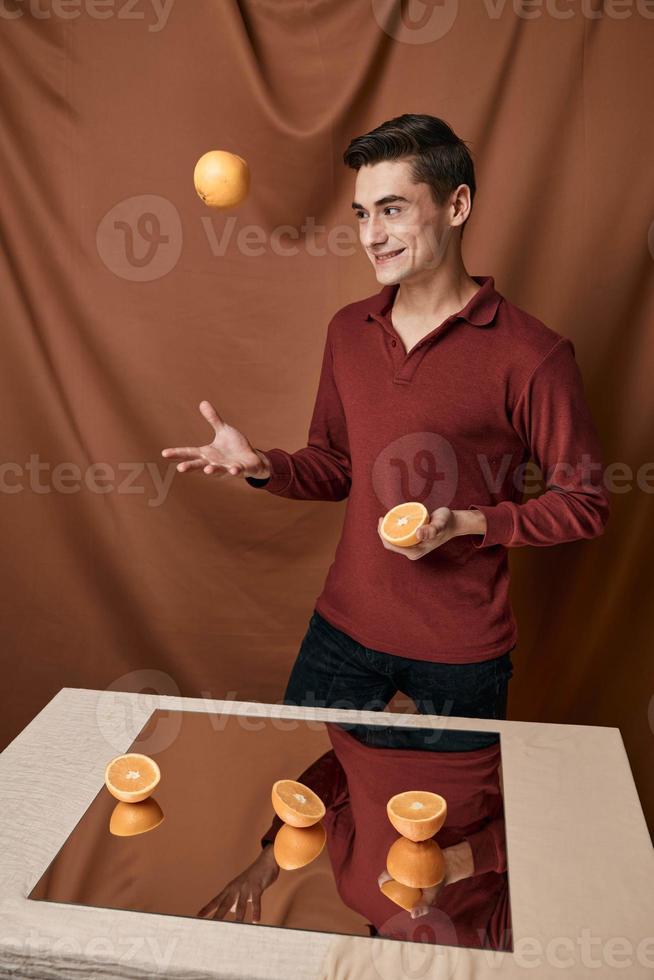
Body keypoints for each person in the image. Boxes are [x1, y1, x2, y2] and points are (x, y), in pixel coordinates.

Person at [162, 113, 609, 721]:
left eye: (393, 209)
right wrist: (263, 464)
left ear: (456, 206)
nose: (372, 234)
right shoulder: (348, 331)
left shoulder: (534, 354)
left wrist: (471, 523)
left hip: (463, 651)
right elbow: (338, 466)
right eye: (363, 214)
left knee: (457, 817)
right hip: (342, 631)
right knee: (298, 804)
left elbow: (584, 503)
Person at [197, 722, 511, 952]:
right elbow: (543, 838)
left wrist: (272, 853)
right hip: (462, 750)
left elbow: (339, 771)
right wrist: (453, 863)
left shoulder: (353, 891)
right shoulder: (489, 945)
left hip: (366, 735)